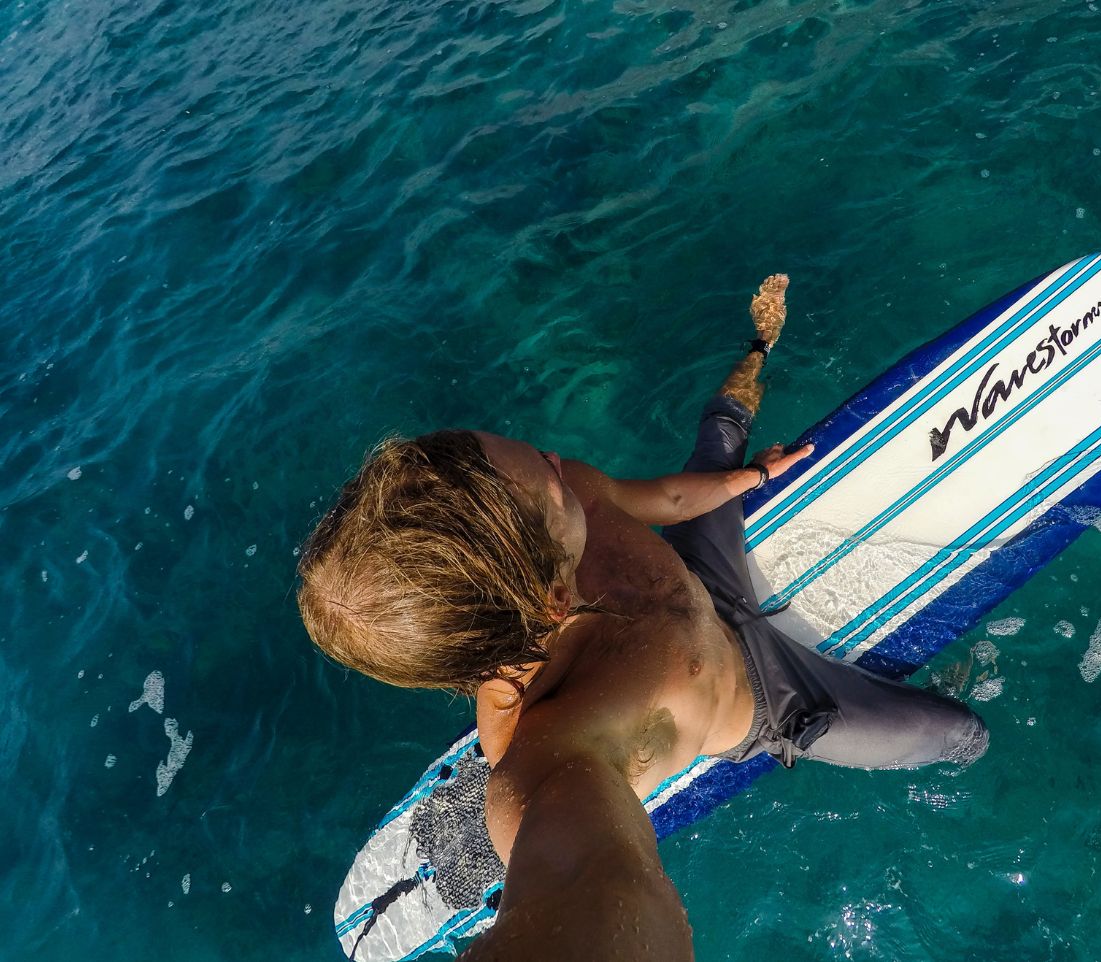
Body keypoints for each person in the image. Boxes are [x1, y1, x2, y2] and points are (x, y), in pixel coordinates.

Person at [297, 275, 988, 961]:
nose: (552, 460)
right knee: (958, 734)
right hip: (770, 701)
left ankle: (760, 341)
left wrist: (743, 482)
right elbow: (591, 893)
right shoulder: (552, 754)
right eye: (544, 476)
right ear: (554, 598)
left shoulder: (575, 494)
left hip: (702, 578)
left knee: (722, 434)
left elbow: (662, 497)